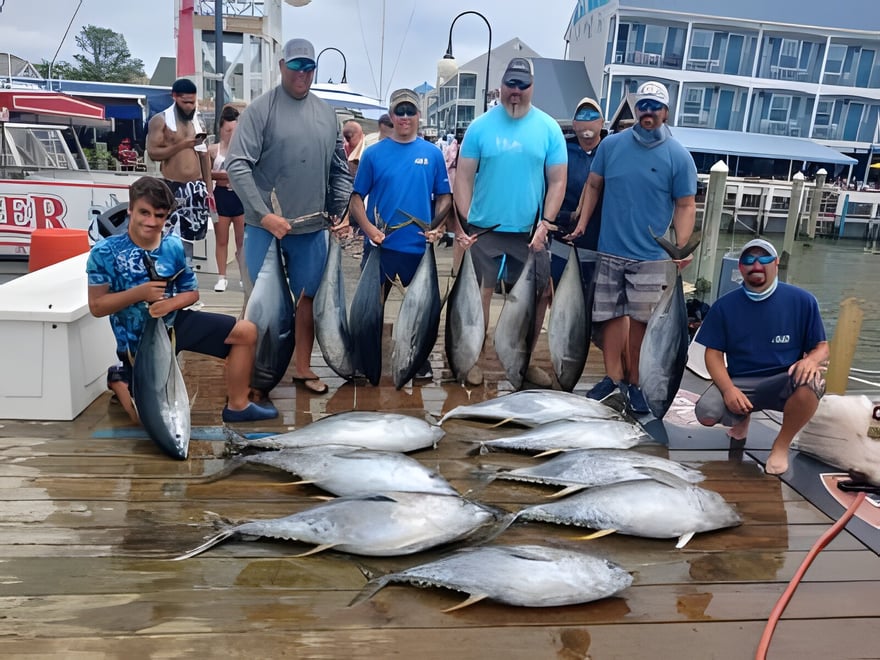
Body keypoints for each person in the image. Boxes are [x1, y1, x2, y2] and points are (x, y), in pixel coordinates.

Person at [86, 176, 278, 425]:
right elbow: (97, 306)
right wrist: (140, 293)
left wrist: (170, 304)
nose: (151, 222)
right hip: (136, 342)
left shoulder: (173, 246)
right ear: (130, 209)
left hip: (174, 325)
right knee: (147, 421)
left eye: (159, 216)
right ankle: (120, 378)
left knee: (246, 331)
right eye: (144, 213)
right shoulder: (104, 252)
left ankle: (238, 406)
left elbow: (192, 293)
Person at [226, 38, 352, 396]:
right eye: (295, 66)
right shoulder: (260, 110)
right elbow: (237, 165)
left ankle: (302, 368)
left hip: (311, 229)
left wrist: (338, 212)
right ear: (282, 66)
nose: (302, 73)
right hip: (264, 228)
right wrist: (264, 216)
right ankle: (251, 373)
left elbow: (339, 170)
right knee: (257, 302)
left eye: (309, 67)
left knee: (307, 299)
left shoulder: (327, 115)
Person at [565, 80, 697, 413]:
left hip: (651, 257)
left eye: (655, 107)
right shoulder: (611, 146)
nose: (648, 112)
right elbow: (593, 185)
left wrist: (681, 246)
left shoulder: (679, 156)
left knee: (641, 323)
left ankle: (636, 383)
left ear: (666, 112)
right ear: (636, 110)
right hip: (610, 249)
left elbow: (685, 205)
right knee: (610, 317)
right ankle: (613, 378)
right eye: (643, 106)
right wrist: (582, 222)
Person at [451, 57, 567, 388]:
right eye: (510, 84)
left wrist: (546, 222)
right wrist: (464, 222)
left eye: (522, 85)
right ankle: (472, 357)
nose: (516, 91)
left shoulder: (549, 128)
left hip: (530, 233)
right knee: (479, 295)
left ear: (532, 87)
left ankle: (522, 361)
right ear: (501, 86)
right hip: (483, 230)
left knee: (536, 298)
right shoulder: (479, 127)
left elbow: (558, 180)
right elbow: (463, 177)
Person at [694, 239, 828, 475]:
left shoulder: (803, 301)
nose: (757, 265)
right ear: (741, 267)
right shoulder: (724, 306)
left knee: (813, 382)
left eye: (764, 259)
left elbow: (822, 347)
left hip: (784, 379)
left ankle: (781, 445)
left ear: (776, 263)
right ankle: (741, 417)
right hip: (741, 382)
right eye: (749, 260)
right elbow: (713, 354)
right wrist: (728, 389)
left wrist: (811, 360)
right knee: (706, 413)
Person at [348, 88, 452, 379]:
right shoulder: (373, 154)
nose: (405, 117)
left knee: (421, 311)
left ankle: (417, 361)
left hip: (418, 250)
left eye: (410, 111)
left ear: (419, 115)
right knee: (371, 310)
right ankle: (364, 361)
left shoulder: (433, 154)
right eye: (399, 111)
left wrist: (436, 225)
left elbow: (445, 197)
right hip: (380, 248)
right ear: (391, 116)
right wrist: (369, 229)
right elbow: (356, 199)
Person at [146, 78, 213, 268]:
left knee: (190, 237)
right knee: (168, 235)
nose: (190, 106)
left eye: (193, 102)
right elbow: (153, 153)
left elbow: (204, 155)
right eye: (185, 102)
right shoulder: (160, 121)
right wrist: (182, 145)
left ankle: (188, 272)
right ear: (174, 97)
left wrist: (209, 189)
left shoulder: (197, 120)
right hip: (172, 184)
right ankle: (167, 271)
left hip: (196, 186)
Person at [549, 96, 605, 290]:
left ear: (602, 123)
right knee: (556, 293)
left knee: (593, 298)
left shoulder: (611, 150)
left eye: (592, 117)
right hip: (561, 237)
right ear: (574, 124)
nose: (587, 122)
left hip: (598, 242)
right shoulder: (560, 150)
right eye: (582, 117)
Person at [207, 105, 245, 293]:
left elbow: (246, 174)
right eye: (229, 131)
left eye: (235, 131)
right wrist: (225, 176)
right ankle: (221, 277)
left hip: (239, 196)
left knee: (242, 241)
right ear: (221, 129)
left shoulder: (244, 150)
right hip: (221, 196)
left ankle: (244, 276)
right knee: (221, 240)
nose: (232, 135)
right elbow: (205, 174)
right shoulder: (213, 150)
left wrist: (228, 176)